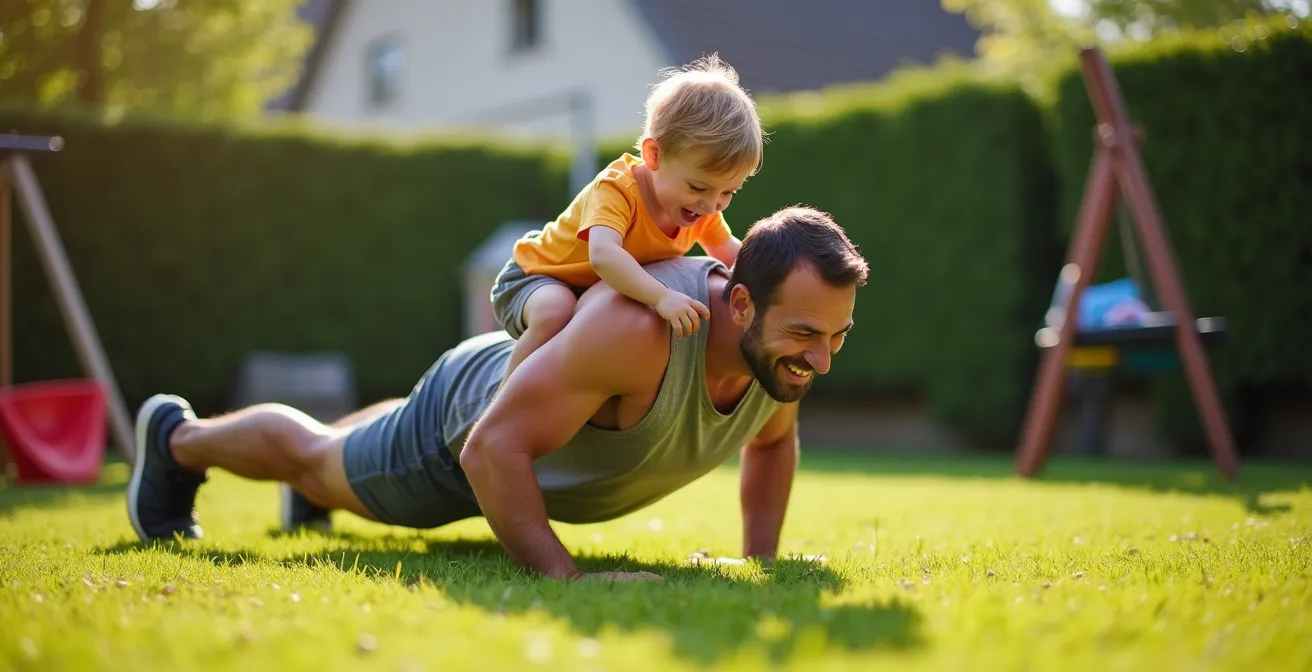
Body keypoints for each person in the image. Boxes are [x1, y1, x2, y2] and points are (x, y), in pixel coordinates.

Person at [126, 206, 869, 582]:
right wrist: (566, 577)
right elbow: (491, 448)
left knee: (346, 452)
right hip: (468, 430)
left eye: (837, 338)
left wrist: (759, 561)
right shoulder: (640, 331)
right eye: (808, 335)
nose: (822, 360)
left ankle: (326, 472)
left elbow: (772, 445)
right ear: (739, 304)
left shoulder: (782, 356)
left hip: (531, 400)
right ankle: (176, 440)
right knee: (317, 458)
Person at [493, 53, 762, 381]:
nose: (711, 205)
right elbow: (604, 256)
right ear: (653, 155)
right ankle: (501, 402)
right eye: (698, 187)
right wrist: (663, 297)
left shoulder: (699, 208)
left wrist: (766, 283)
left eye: (728, 193)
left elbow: (728, 253)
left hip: (591, 299)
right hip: (536, 278)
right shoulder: (617, 188)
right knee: (555, 311)